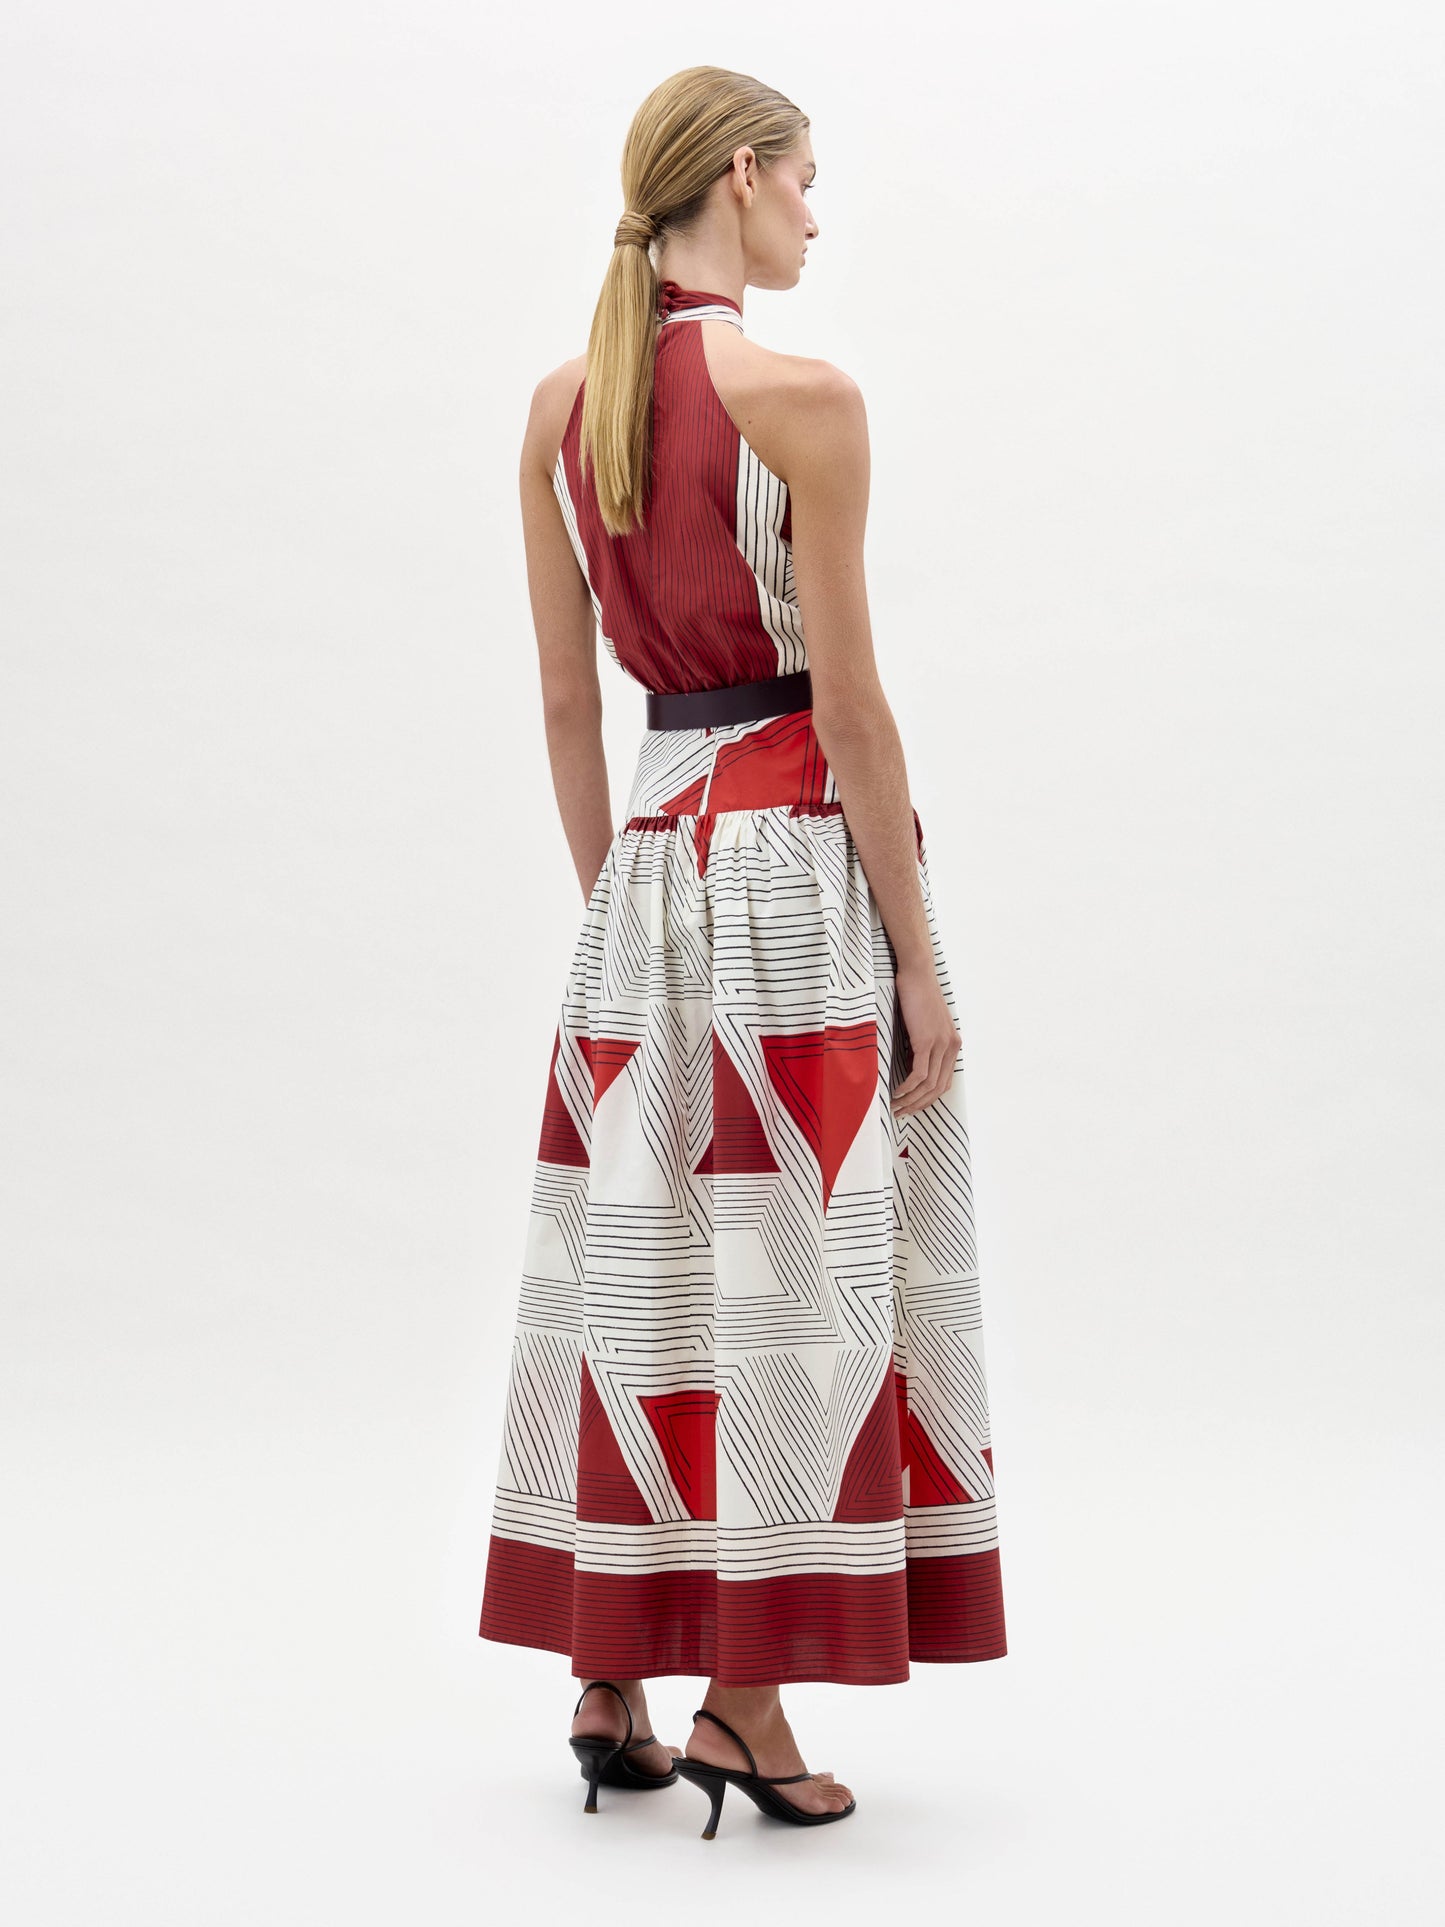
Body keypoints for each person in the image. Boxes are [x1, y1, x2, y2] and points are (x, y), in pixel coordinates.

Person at [479, 64, 1008, 1838]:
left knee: (637, 1265)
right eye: (800, 177)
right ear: (733, 178)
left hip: (643, 870)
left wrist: (619, 913)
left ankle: (606, 1676)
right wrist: (918, 963)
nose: (811, 210)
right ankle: (746, 1704)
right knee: (792, 1265)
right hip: (791, 865)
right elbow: (847, 710)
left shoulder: (562, 410)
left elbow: (571, 704)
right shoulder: (804, 400)